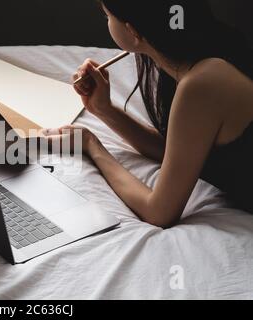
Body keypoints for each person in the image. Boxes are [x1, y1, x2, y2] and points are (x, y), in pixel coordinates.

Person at [44, 0, 253, 228]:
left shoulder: (202, 83)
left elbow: (159, 212)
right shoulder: (203, 58)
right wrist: (103, 109)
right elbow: (180, 152)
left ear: (132, 31)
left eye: (107, 17)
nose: (107, 23)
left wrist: (93, 146)